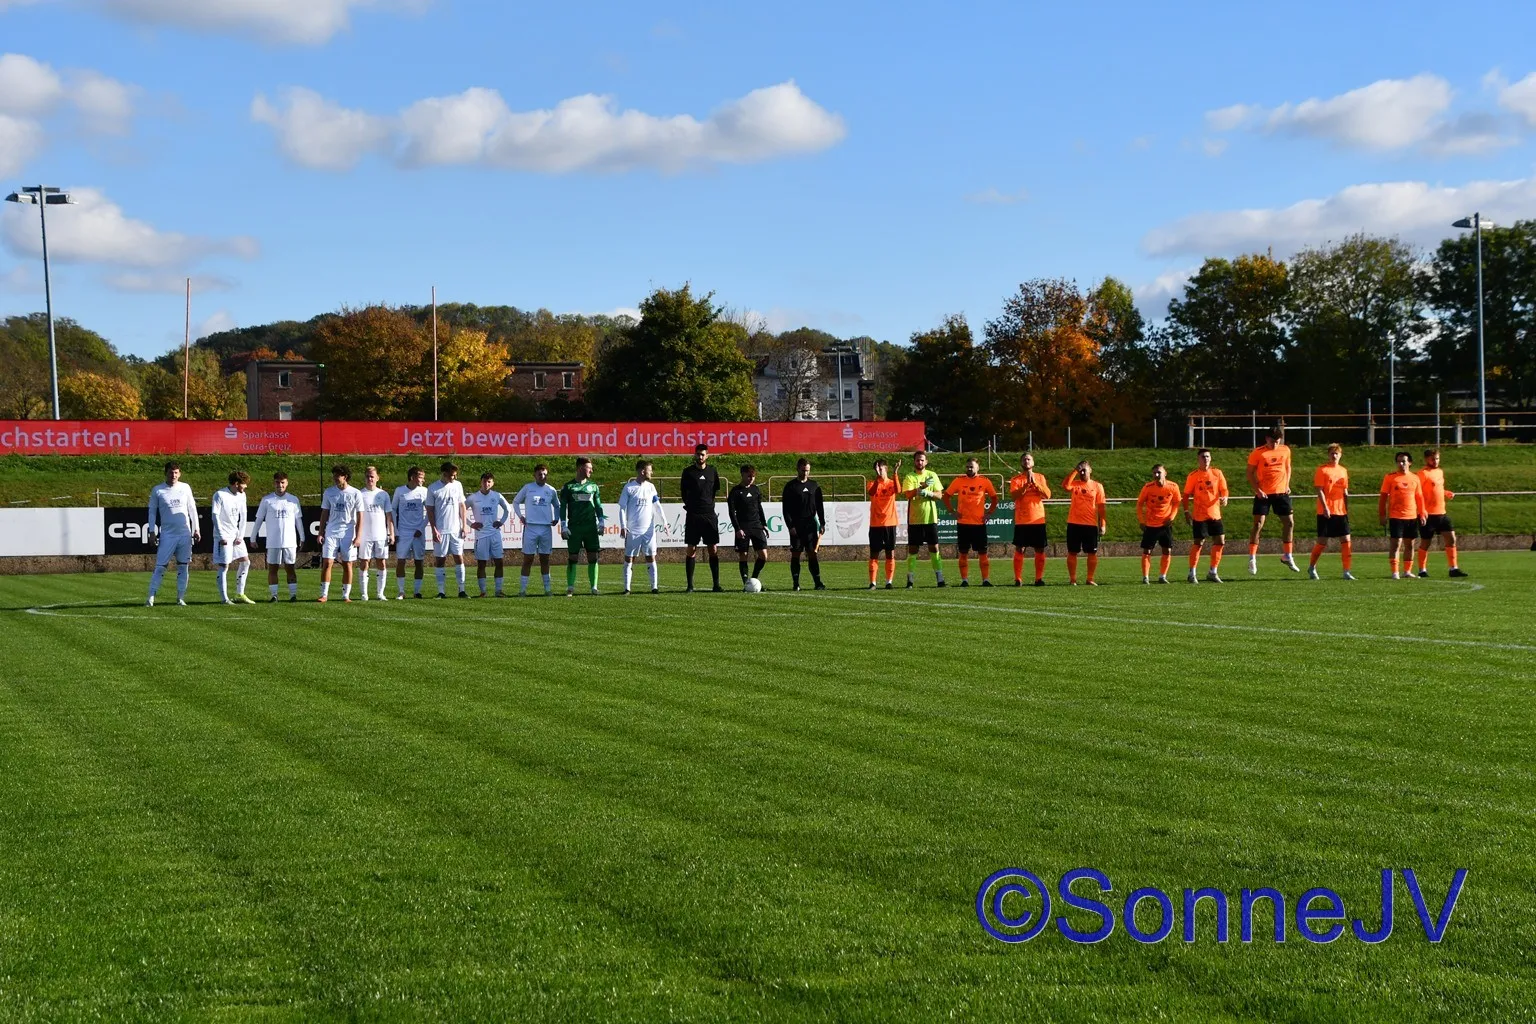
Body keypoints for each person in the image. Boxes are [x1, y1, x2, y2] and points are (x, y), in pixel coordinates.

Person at [1246, 425, 1301, 575]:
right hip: (1263, 494)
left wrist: (1287, 484)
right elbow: (1249, 473)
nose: (1274, 444)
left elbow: (1288, 467)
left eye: (1277, 441)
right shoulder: (1258, 453)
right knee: (1258, 524)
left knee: (1289, 523)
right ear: (1266, 439)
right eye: (1272, 441)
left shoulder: (1285, 450)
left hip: (1281, 492)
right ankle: (1252, 558)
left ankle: (1287, 555)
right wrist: (1258, 490)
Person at [146, 461, 198, 607]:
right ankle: (150, 597)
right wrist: (151, 531)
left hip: (185, 534)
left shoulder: (185, 487)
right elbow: (152, 512)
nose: (173, 475)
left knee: (183, 566)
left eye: (176, 472)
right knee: (160, 566)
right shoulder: (158, 490)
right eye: (170, 472)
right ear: (166, 473)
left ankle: (180, 598)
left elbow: (192, 509)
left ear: (179, 474)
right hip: (167, 535)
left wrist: (196, 529)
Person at [944, 457, 999, 587]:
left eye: (972, 467)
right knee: (963, 552)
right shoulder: (958, 481)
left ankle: (985, 580)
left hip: (979, 524)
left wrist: (989, 513)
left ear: (977, 468)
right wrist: (952, 511)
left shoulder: (985, 481)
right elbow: (946, 496)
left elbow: (994, 498)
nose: (969, 469)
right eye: (967, 466)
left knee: (983, 552)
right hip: (963, 523)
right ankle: (964, 580)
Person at [1416, 449, 1468, 578]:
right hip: (1428, 515)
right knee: (1426, 543)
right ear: (1426, 459)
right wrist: (1421, 511)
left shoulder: (1440, 472)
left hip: (1441, 513)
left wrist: (1446, 493)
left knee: (1451, 538)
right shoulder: (1423, 473)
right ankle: (1422, 570)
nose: (1435, 461)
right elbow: (1417, 492)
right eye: (1433, 459)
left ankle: (1453, 568)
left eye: (1437, 458)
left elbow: (1437, 488)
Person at [560, 457, 607, 596]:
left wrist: (601, 521)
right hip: (574, 527)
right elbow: (562, 507)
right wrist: (563, 525)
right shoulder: (568, 487)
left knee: (593, 556)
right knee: (573, 557)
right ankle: (570, 587)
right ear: (580, 468)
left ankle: (594, 587)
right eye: (589, 468)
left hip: (590, 527)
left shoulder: (593, 486)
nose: (591, 470)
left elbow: (598, 505)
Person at [253, 471, 304, 602]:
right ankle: (274, 595)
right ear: (273, 483)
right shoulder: (267, 500)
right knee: (273, 568)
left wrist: (302, 537)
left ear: (287, 483)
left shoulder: (293, 499)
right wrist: (253, 538)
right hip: (273, 541)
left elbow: (298, 520)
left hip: (289, 541)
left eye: (282, 482)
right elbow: (259, 519)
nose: (280, 485)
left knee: (290, 568)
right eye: (277, 482)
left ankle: (293, 595)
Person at [680, 443, 723, 592]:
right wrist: (691, 506)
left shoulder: (712, 471)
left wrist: (707, 505)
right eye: (698, 454)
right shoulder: (688, 472)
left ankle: (716, 584)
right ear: (695, 455)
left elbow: (714, 490)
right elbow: (683, 492)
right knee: (691, 549)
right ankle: (690, 585)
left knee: (713, 549)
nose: (700, 457)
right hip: (693, 515)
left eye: (703, 454)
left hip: (709, 515)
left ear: (707, 456)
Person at [1309, 444, 1355, 581]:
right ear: (1328, 455)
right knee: (1322, 542)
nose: (1334, 456)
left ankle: (1346, 571)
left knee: (1346, 540)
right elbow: (1319, 490)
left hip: (1341, 511)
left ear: (1340, 455)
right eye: (1332, 453)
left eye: (1336, 453)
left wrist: (1346, 508)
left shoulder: (1343, 471)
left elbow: (1345, 491)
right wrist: (1325, 507)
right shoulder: (1322, 470)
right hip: (1326, 511)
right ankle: (1312, 567)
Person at [899, 450, 946, 587]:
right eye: (917, 460)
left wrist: (928, 493)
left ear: (926, 462)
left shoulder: (932, 475)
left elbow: (939, 495)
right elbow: (908, 495)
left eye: (922, 460)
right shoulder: (910, 477)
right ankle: (910, 579)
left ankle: (940, 578)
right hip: (915, 519)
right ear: (914, 462)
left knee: (934, 548)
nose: (919, 462)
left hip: (930, 518)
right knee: (913, 549)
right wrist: (921, 488)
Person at [317, 464, 363, 603]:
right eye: (334, 475)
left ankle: (346, 595)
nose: (335, 478)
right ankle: (324, 594)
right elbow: (324, 513)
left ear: (345, 477)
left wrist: (358, 536)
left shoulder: (355, 493)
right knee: (327, 562)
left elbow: (360, 516)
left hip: (348, 532)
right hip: (331, 531)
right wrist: (321, 532)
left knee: (347, 564)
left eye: (338, 475)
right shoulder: (329, 492)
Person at [514, 464, 561, 596]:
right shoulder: (528, 488)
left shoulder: (551, 490)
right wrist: (521, 516)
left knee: (545, 559)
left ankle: (547, 589)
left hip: (546, 528)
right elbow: (516, 502)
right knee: (528, 559)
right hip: (531, 527)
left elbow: (557, 505)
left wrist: (556, 518)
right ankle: (522, 590)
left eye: (545, 474)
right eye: (540, 474)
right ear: (534, 475)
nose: (542, 476)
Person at [1379, 451, 1427, 579]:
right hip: (1396, 516)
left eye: (1404, 461)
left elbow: (1419, 497)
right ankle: (1395, 572)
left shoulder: (1415, 478)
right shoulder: (1390, 477)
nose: (1401, 464)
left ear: (1409, 463)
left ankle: (1407, 571)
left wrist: (1422, 513)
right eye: (1399, 461)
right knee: (1396, 543)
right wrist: (1382, 514)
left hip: (1411, 516)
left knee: (1410, 544)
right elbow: (1383, 497)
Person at [1182, 449, 1228, 583]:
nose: (1205, 459)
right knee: (1199, 542)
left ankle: (1213, 572)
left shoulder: (1217, 473)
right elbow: (1186, 495)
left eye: (1207, 456)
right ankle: (1192, 573)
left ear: (1210, 458)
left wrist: (1225, 497)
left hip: (1215, 513)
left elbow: (1224, 489)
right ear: (1198, 459)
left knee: (1220, 541)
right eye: (1203, 457)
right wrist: (1186, 512)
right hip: (1200, 515)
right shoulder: (1193, 476)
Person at [781, 458, 827, 591]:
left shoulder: (814, 485)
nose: (805, 473)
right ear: (797, 469)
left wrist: (822, 523)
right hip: (796, 525)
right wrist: (790, 526)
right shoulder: (790, 487)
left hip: (810, 525)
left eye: (807, 470)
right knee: (796, 553)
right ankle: (796, 583)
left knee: (812, 553)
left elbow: (819, 506)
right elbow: (786, 509)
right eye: (803, 470)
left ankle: (818, 582)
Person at [619, 459, 664, 594]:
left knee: (651, 557)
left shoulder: (651, 487)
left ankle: (654, 587)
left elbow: (657, 505)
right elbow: (622, 508)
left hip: (649, 531)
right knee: (629, 558)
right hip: (633, 530)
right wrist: (623, 526)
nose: (652, 473)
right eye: (650, 470)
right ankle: (627, 588)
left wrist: (664, 521)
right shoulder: (629, 488)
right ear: (643, 471)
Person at [211, 470, 254, 604]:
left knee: (245, 562)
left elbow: (243, 515)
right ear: (236, 483)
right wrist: (221, 536)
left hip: (235, 535)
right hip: (223, 536)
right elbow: (215, 516)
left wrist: (240, 535)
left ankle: (240, 594)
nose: (245, 487)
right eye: (244, 484)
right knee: (224, 566)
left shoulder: (242, 495)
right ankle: (224, 599)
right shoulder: (220, 495)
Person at [1008, 452, 1051, 587]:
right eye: (1024, 459)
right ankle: (1018, 578)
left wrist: (1036, 484)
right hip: (1022, 519)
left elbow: (1047, 495)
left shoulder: (1040, 477)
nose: (1026, 461)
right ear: (1021, 463)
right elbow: (1014, 496)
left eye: (1029, 459)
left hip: (1037, 519)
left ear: (1033, 462)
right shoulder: (1016, 479)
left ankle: (1038, 579)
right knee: (1020, 549)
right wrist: (1026, 485)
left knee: (1040, 549)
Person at [427, 462, 469, 598]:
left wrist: (464, 525)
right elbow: (430, 510)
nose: (454, 478)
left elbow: (462, 506)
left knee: (459, 557)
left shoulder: (458, 485)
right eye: (452, 475)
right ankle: (441, 591)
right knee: (440, 560)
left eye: (455, 475)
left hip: (456, 530)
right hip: (441, 530)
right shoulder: (433, 488)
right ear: (444, 474)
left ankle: (462, 590)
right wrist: (434, 529)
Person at [1061, 460, 1106, 586]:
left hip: (1090, 525)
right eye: (1080, 470)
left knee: (1092, 552)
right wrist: (1074, 471)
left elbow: (1101, 507)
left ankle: (1090, 579)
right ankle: (1072, 579)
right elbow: (1065, 486)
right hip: (1074, 523)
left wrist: (1103, 524)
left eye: (1084, 470)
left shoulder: (1097, 486)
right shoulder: (1075, 484)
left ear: (1090, 471)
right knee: (1072, 552)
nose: (1082, 472)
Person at [1135, 464, 1181, 584]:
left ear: (1165, 473)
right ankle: (1145, 577)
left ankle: (1162, 576)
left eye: (1159, 472)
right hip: (1151, 524)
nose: (1156, 475)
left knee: (1167, 550)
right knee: (1147, 551)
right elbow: (1139, 504)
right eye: (1154, 473)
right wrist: (1141, 521)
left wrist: (1171, 517)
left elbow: (1176, 503)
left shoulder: (1173, 486)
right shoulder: (1148, 487)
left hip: (1165, 525)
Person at [469, 471, 512, 597]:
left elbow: (508, 509)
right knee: (482, 564)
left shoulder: (497, 496)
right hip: (481, 535)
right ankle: (483, 592)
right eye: (484, 481)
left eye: (489, 482)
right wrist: (470, 524)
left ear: (492, 483)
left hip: (495, 534)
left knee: (499, 562)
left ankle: (498, 591)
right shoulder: (473, 497)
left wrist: (501, 522)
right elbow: (461, 511)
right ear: (480, 482)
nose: (486, 484)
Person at [357, 465, 396, 601]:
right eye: (368, 476)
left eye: (372, 476)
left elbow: (389, 516)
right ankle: (364, 594)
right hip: (365, 535)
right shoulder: (360, 494)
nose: (370, 479)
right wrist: (357, 535)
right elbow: (356, 516)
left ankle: (380, 593)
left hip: (380, 534)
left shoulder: (383, 494)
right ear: (365, 478)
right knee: (364, 563)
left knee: (382, 562)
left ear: (377, 478)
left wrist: (391, 533)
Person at [729, 463, 770, 587]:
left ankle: (753, 580)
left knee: (763, 555)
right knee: (744, 555)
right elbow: (731, 512)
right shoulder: (735, 492)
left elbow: (759, 508)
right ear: (742, 475)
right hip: (743, 527)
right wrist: (737, 528)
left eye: (753, 477)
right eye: (748, 476)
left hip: (756, 525)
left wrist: (764, 524)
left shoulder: (755, 489)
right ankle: (746, 583)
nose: (751, 479)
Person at [392, 466, 429, 599]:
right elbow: (393, 510)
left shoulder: (424, 491)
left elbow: (430, 512)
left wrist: (421, 528)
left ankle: (417, 591)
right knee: (401, 561)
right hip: (403, 532)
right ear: (412, 477)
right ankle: (401, 591)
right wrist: (396, 531)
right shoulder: (399, 490)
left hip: (418, 532)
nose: (423, 480)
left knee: (419, 562)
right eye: (421, 477)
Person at [867, 457, 901, 589]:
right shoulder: (872, 483)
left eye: (880, 469)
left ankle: (889, 582)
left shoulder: (891, 483)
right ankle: (873, 582)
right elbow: (872, 492)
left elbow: (898, 490)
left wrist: (896, 473)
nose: (879, 471)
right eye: (876, 469)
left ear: (886, 469)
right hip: (875, 524)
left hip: (890, 523)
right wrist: (877, 477)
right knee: (874, 553)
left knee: (890, 553)